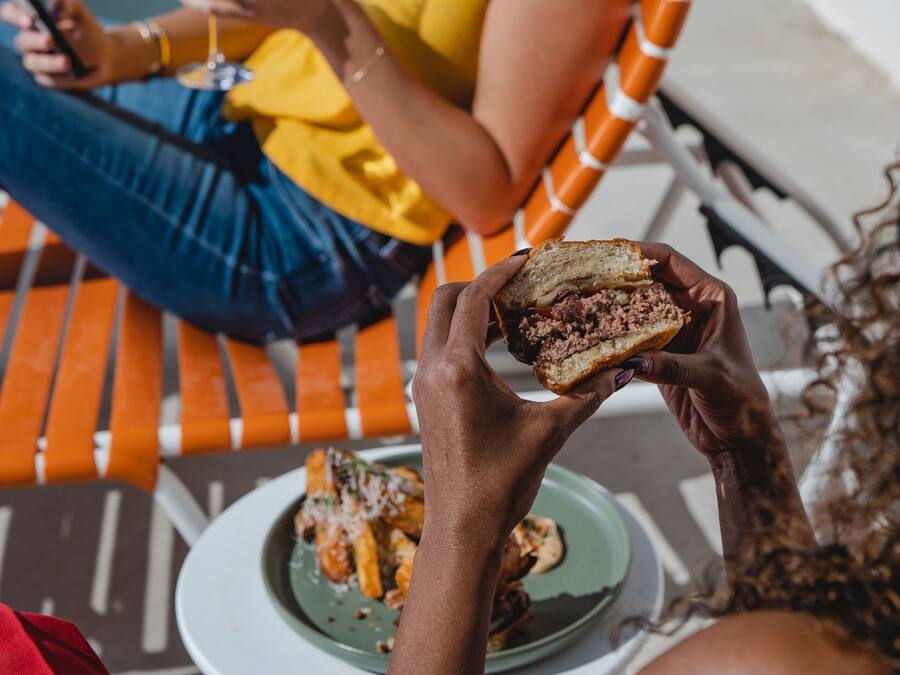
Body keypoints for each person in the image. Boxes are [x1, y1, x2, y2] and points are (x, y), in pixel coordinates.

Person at [393, 198, 899, 673]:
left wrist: (459, 529)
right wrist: (742, 453)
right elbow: (790, 628)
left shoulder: (766, 659)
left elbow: (779, 646)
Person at [0, 0, 631, 342]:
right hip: (238, 107)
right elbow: (272, 14)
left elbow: (485, 193)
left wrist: (328, 20)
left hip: (307, 238)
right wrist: (119, 50)